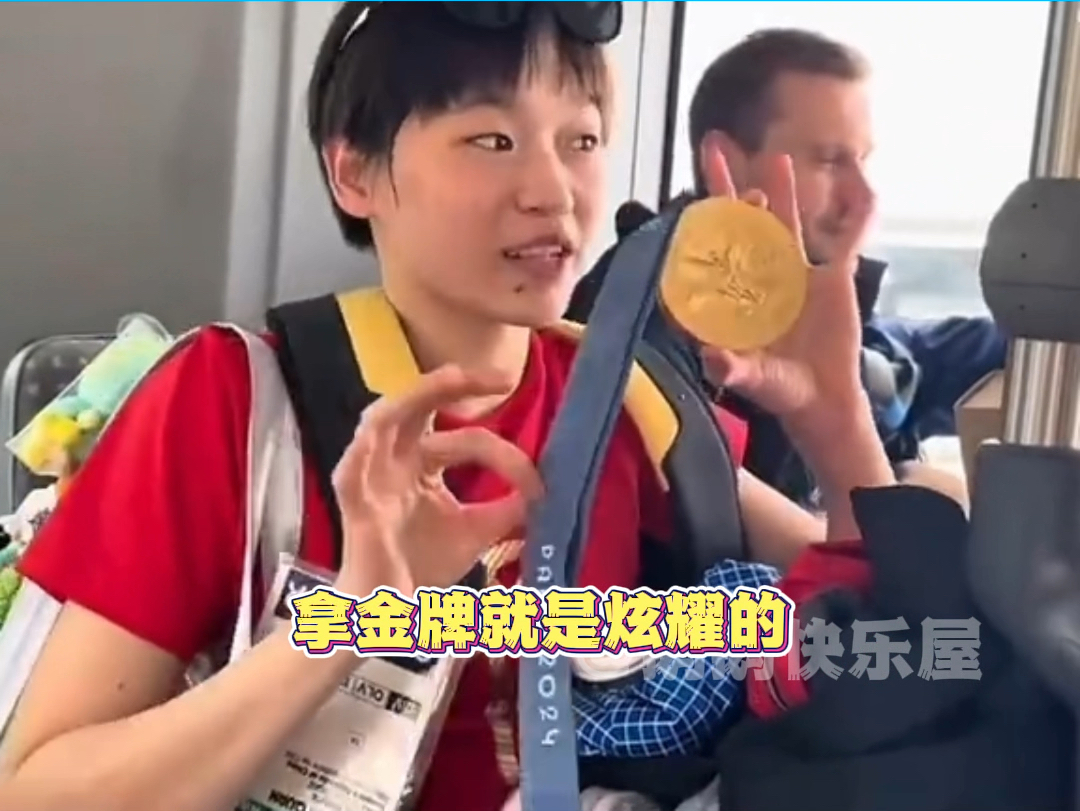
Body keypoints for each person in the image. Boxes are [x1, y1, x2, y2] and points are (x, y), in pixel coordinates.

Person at [0, 5, 953, 811]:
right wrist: (357, 615)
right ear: (354, 172)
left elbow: (886, 637)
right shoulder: (233, 401)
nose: (552, 190)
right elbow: (35, 787)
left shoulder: (623, 396)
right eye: (491, 140)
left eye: (581, 140)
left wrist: (836, 422)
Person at [568, 28, 1007, 506]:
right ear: (729, 162)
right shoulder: (644, 328)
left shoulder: (822, 314)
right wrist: (907, 495)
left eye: (862, 161)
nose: (863, 197)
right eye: (830, 161)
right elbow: (738, 531)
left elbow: (938, 354)